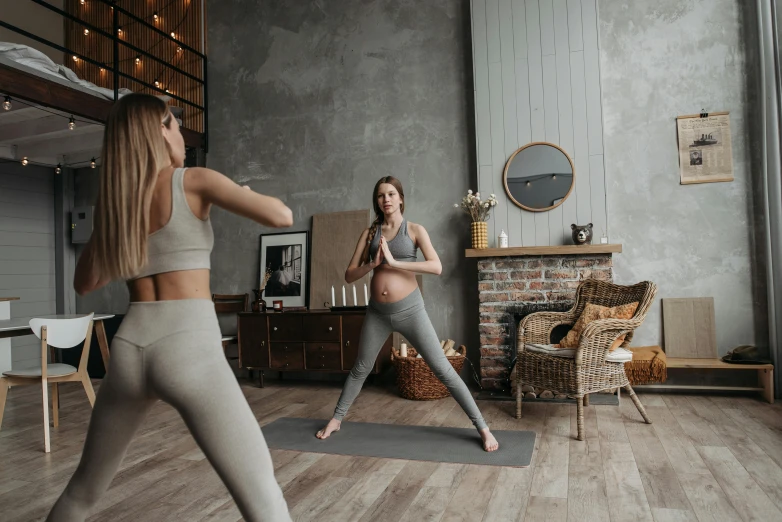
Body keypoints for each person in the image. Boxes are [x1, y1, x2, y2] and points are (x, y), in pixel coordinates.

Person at [46, 93, 293, 522]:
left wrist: (115, 227)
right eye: (176, 125)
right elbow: (281, 216)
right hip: (189, 347)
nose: (181, 135)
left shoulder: (119, 208)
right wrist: (241, 191)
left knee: (82, 492)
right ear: (160, 130)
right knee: (262, 495)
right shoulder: (194, 180)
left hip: (130, 349)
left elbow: (84, 283)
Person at [316, 176, 499, 452]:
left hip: (410, 310)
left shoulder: (414, 230)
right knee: (361, 369)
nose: (386, 199)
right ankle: (336, 419)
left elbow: (436, 267)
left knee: (443, 371)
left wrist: (394, 262)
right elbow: (349, 275)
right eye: (380, 195)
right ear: (377, 202)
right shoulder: (369, 234)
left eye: (391, 194)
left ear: (401, 198)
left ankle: (483, 428)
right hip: (377, 312)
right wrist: (373, 264)